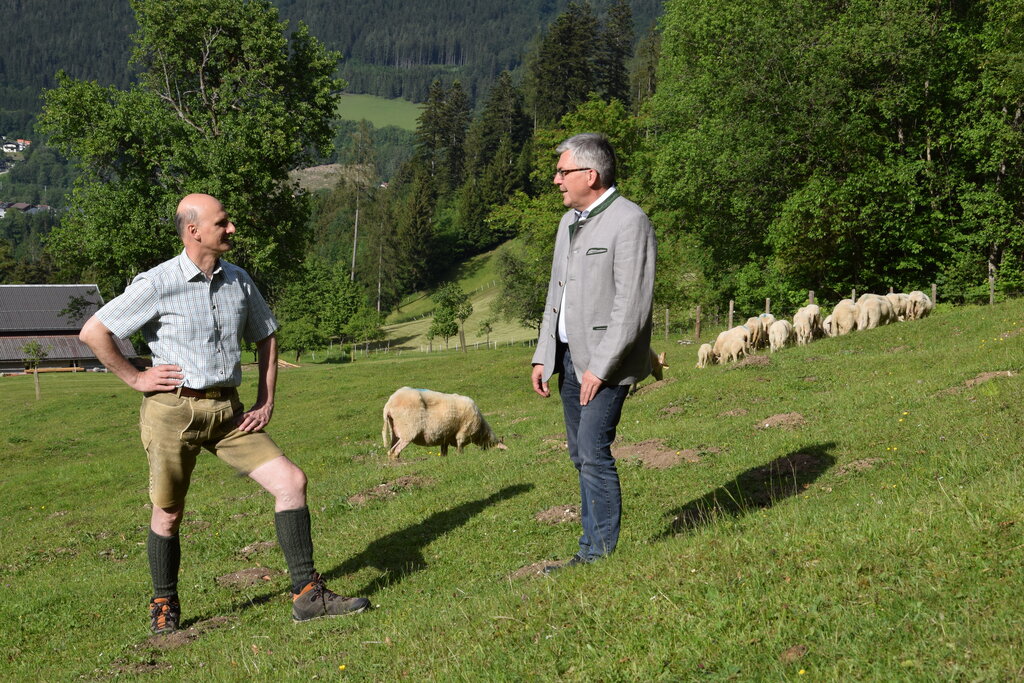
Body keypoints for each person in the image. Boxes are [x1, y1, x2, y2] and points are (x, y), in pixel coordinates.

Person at [79, 193, 369, 633]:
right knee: (169, 512)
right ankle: (164, 604)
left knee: (292, 482)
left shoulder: (238, 280)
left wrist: (265, 400)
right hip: (172, 412)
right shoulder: (157, 282)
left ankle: (307, 596)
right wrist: (135, 378)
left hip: (229, 414)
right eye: (223, 223)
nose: (231, 229)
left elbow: (267, 335)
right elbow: (94, 331)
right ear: (193, 231)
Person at [530, 134, 656, 571]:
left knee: (593, 450)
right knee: (579, 454)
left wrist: (600, 368)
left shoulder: (629, 221)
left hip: (606, 364)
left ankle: (597, 555)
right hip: (568, 359)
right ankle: (590, 546)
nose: (556, 180)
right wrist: (544, 354)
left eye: (563, 172)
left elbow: (632, 305)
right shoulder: (569, 223)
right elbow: (555, 295)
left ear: (591, 174)